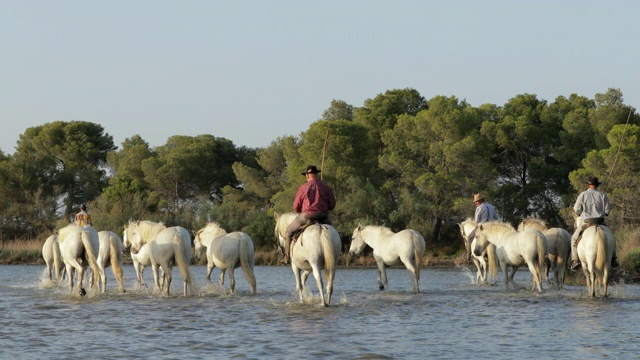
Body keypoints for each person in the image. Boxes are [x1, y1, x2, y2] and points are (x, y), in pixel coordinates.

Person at [282, 165, 336, 264]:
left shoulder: (303, 188)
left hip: (307, 216)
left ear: (307, 175)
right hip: (324, 216)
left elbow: (296, 207)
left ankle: (287, 256)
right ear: (317, 174)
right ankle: (337, 251)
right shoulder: (326, 187)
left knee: (288, 231)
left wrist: (300, 211)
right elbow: (332, 205)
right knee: (334, 232)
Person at [570, 176, 618, 270]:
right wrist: (604, 213)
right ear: (597, 185)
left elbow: (576, 209)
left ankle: (575, 260)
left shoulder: (582, 195)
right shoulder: (603, 195)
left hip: (587, 222)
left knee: (574, 239)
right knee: (612, 237)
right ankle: (613, 259)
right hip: (600, 222)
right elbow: (607, 209)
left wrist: (580, 212)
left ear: (588, 185)